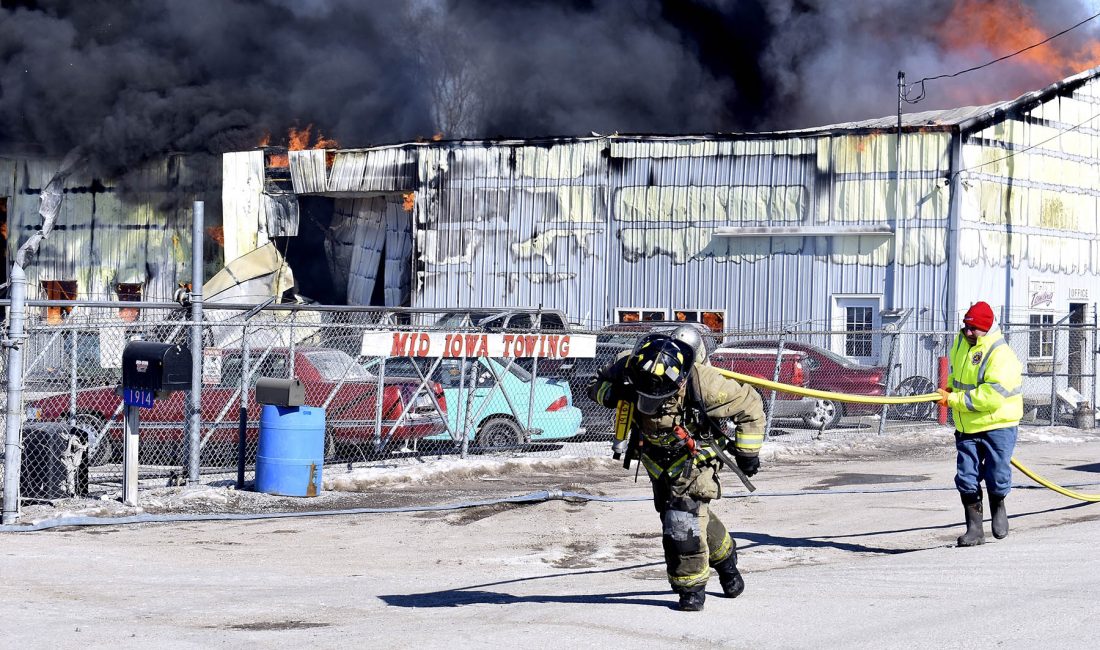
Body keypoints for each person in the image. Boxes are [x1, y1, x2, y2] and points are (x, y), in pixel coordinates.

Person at [587, 333, 765, 611]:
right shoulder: (628, 367)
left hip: (695, 457)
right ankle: (727, 561)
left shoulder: (705, 384)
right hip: (655, 459)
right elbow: (595, 386)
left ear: (680, 381)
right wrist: (610, 393)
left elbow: (750, 405)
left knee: (681, 522)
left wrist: (748, 452)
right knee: (687, 516)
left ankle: (691, 589)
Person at [937, 301, 1023, 547]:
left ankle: (998, 504)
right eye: (965, 327)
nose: (967, 332)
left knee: (997, 473)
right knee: (966, 477)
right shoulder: (962, 343)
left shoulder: (1000, 353)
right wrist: (951, 385)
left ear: (985, 328)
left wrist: (953, 399)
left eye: (973, 329)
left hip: (998, 424)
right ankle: (974, 529)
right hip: (968, 426)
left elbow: (992, 396)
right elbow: (959, 373)